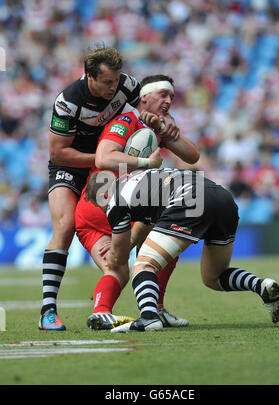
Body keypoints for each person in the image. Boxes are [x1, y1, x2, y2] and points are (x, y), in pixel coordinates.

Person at [39, 46, 180, 331]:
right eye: (106, 82)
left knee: (134, 239)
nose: (113, 87)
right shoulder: (67, 102)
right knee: (65, 227)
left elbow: (148, 108)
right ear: (89, 76)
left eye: (116, 81)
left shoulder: (125, 84)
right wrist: (107, 158)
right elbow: (58, 154)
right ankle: (48, 310)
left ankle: (151, 306)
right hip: (71, 166)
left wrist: (168, 124)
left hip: (104, 166)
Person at [84, 167, 279, 333]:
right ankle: (261, 286)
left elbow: (118, 259)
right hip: (222, 197)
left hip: (189, 199)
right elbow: (146, 224)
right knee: (213, 277)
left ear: (103, 194)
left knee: (143, 266)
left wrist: (112, 253)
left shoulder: (114, 200)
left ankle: (148, 318)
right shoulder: (137, 178)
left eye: (100, 207)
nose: (104, 211)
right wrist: (124, 244)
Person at [74, 75, 200, 330]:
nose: (168, 101)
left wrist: (165, 129)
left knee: (123, 266)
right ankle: (155, 310)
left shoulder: (157, 129)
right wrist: (147, 164)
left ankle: (104, 312)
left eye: (172, 97)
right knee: (163, 239)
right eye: (163, 94)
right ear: (144, 97)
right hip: (100, 207)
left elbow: (192, 155)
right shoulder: (125, 121)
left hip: (117, 209)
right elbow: (103, 158)